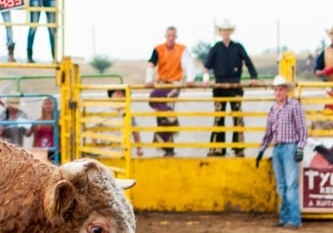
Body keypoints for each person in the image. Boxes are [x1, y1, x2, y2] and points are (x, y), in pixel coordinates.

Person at [256, 75, 308, 229]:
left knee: (290, 184)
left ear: (286, 91)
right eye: (276, 89)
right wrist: (262, 149)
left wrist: (300, 147)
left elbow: (302, 129)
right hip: (278, 147)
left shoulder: (294, 106)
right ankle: (286, 218)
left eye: (280, 89)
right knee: (282, 185)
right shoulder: (273, 109)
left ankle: (294, 219)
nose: (278, 92)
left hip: (289, 146)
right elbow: (269, 132)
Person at [203, 19, 259, 157]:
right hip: (219, 86)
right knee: (219, 117)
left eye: (227, 30)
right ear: (220, 32)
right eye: (223, 30)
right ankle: (218, 148)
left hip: (235, 85)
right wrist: (206, 80)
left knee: (237, 116)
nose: (226, 33)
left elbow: (249, 62)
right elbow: (206, 67)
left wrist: (253, 77)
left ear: (230, 32)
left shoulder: (238, 47)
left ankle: (238, 147)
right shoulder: (215, 48)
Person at [144, 26, 196, 157]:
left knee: (158, 103)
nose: (171, 38)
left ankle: (169, 143)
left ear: (176, 37)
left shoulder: (182, 49)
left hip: (174, 84)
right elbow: (151, 65)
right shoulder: (158, 49)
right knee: (163, 115)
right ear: (165, 36)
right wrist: (148, 79)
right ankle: (169, 148)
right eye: (169, 36)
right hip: (161, 83)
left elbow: (189, 65)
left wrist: (190, 79)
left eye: (173, 36)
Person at [108, 88, 143, 157]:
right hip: (107, 152)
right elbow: (94, 130)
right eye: (117, 94)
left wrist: (139, 149)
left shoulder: (129, 113)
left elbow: (135, 132)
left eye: (122, 94)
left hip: (125, 153)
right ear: (111, 96)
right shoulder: (103, 111)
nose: (119, 96)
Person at [27, 96, 57, 161]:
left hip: (53, 151)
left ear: (54, 105)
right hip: (39, 150)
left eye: (50, 103)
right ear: (43, 106)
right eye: (46, 103)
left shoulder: (58, 120)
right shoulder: (37, 121)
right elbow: (34, 138)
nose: (48, 105)